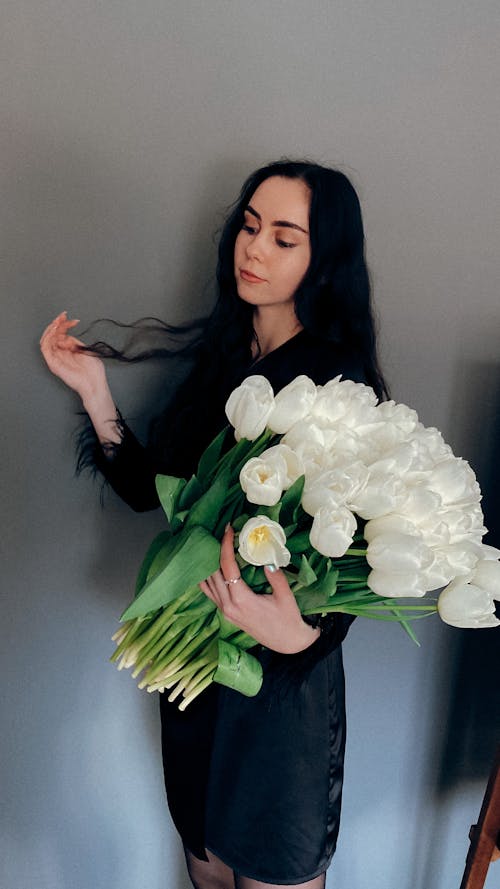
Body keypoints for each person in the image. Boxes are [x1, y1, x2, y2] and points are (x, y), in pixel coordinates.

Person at [40, 160, 388, 889]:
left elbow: (357, 547)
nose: (254, 248)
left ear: (323, 260)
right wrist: (95, 392)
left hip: (278, 687)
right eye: (250, 226)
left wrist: (303, 636)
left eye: (284, 238)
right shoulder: (226, 360)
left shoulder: (337, 379)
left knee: (266, 868)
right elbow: (153, 493)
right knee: (207, 868)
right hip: (197, 673)